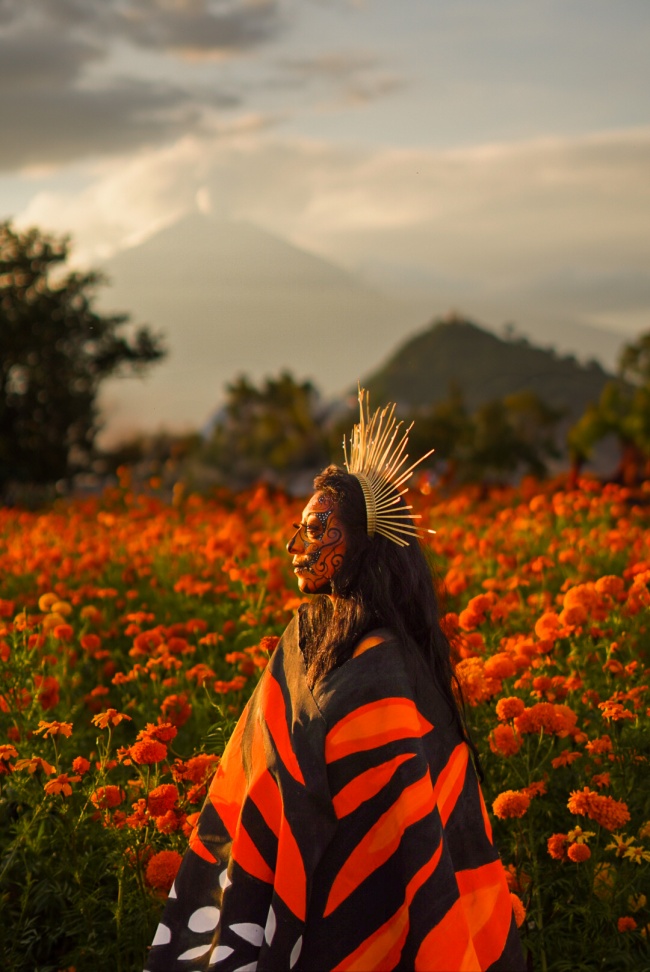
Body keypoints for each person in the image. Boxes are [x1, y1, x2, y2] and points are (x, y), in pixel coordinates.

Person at [145, 391, 525, 972]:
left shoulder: (388, 673)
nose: (297, 548)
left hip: (366, 908)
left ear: (364, 547)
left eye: (319, 531)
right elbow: (259, 764)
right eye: (299, 529)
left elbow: (404, 839)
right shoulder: (304, 641)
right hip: (295, 884)